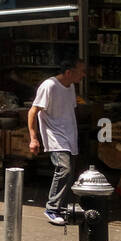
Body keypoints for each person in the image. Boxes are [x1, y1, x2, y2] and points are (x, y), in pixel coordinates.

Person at [28, 58, 84, 226]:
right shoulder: (49, 86)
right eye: (81, 71)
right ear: (69, 72)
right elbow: (33, 111)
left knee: (69, 172)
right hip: (55, 136)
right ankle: (52, 208)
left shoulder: (71, 87)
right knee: (64, 169)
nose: (84, 75)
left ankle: (61, 207)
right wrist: (33, 138)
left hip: (69, 135)